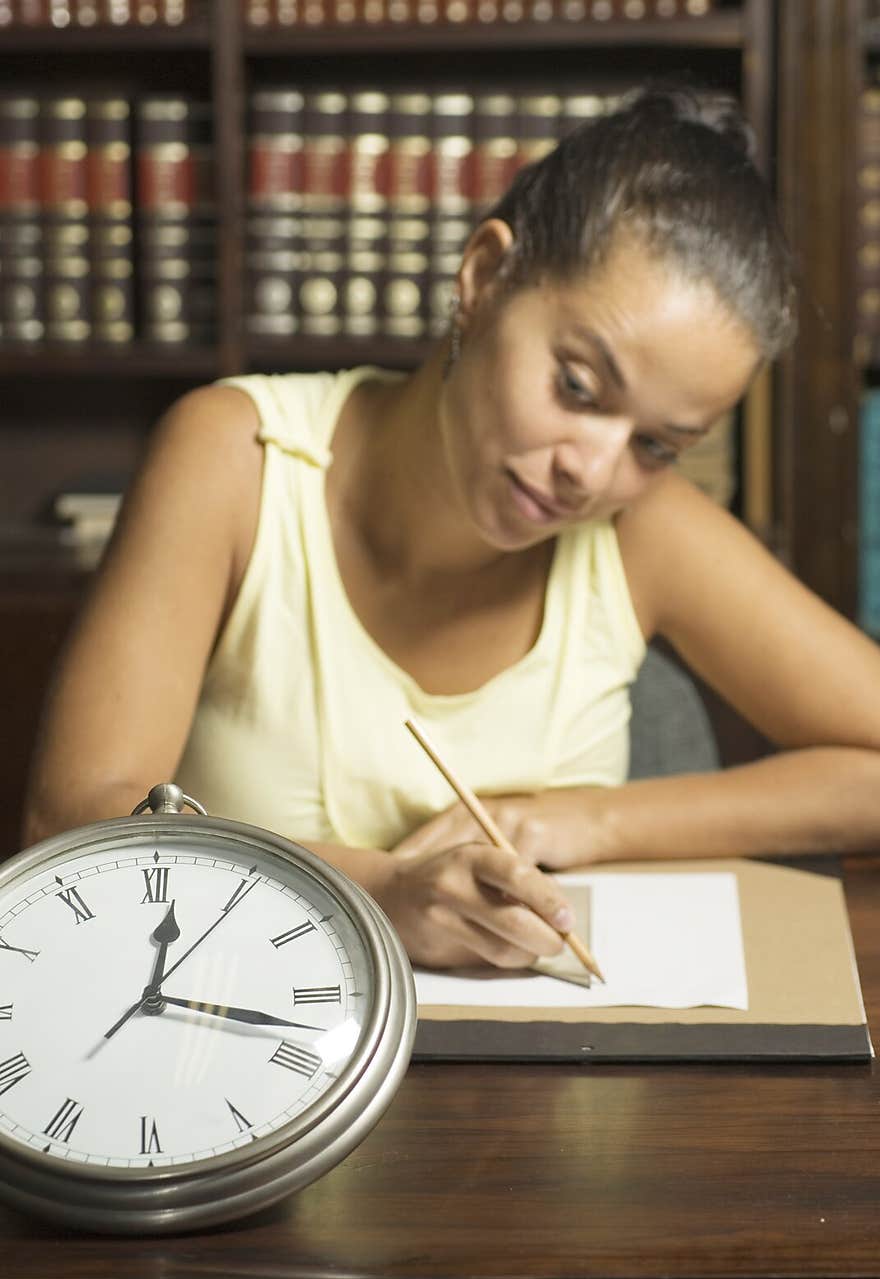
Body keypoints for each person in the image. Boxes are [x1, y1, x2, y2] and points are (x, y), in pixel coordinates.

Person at [22, 84, 880, 973]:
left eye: (658, 444)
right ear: (483, 275)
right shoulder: (236, 456)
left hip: (531, 1098)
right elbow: (72, 821)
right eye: (578, 388)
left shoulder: (644, 528)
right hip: (226, 1065)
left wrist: (580, 819)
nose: (591, 470)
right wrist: (378, 898)